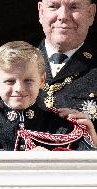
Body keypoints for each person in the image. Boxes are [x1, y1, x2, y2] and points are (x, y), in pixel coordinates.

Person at [0, 41, 97, 151]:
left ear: (42, 81)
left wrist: (53, 159)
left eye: (28, 80)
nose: (19, 88)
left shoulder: (63, 126)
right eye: (9, 81)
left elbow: (85, 171)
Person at [37, 0, 97, 129]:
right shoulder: (11, 66)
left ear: (91, 14)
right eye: (53, 6)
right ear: (41, 12)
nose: (63, 16)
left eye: (74, 7)